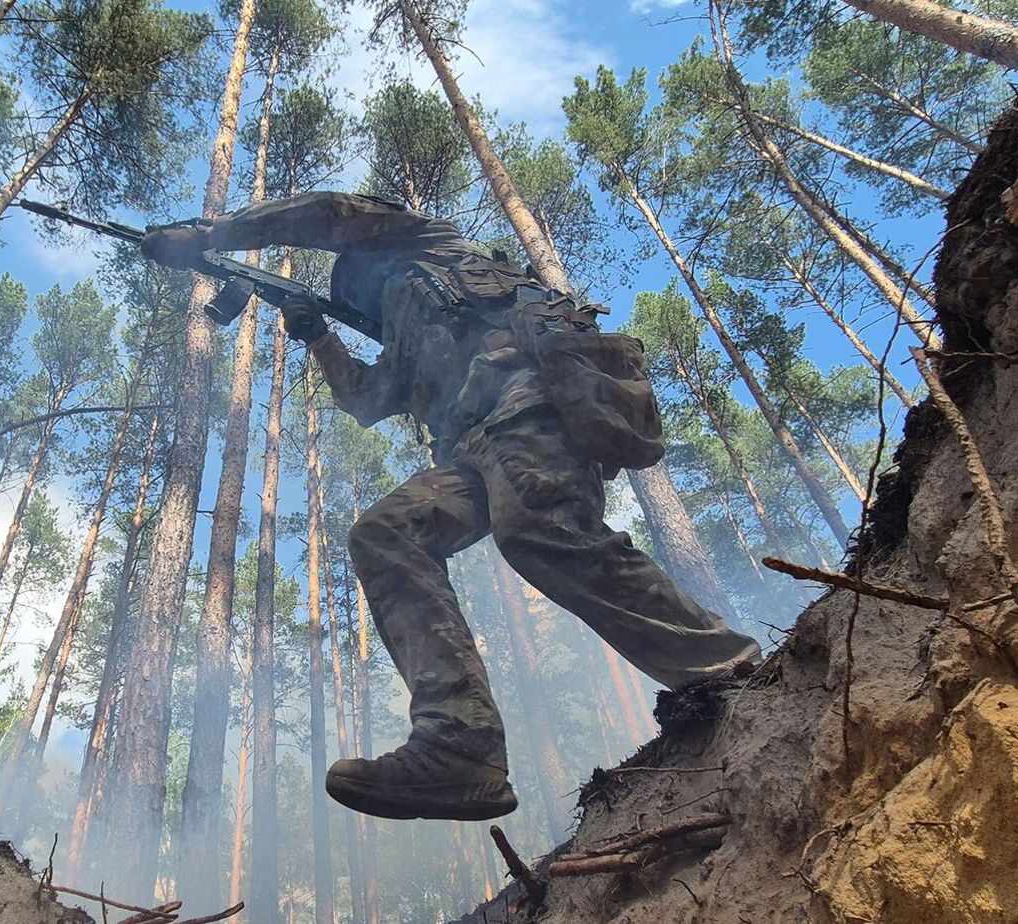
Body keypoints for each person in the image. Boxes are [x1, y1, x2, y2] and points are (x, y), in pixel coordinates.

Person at [142, 191, 760, 822]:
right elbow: (366, 401)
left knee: (538, 531)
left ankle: (727, 668)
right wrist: (318, 334)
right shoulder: (402, 341)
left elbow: (330, 213)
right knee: (385, 533)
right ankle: (459, 745)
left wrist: (213, 235)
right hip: (468, 449)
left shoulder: (426, 242)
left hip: (529, 403)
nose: (366, 300)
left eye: (357, 288)